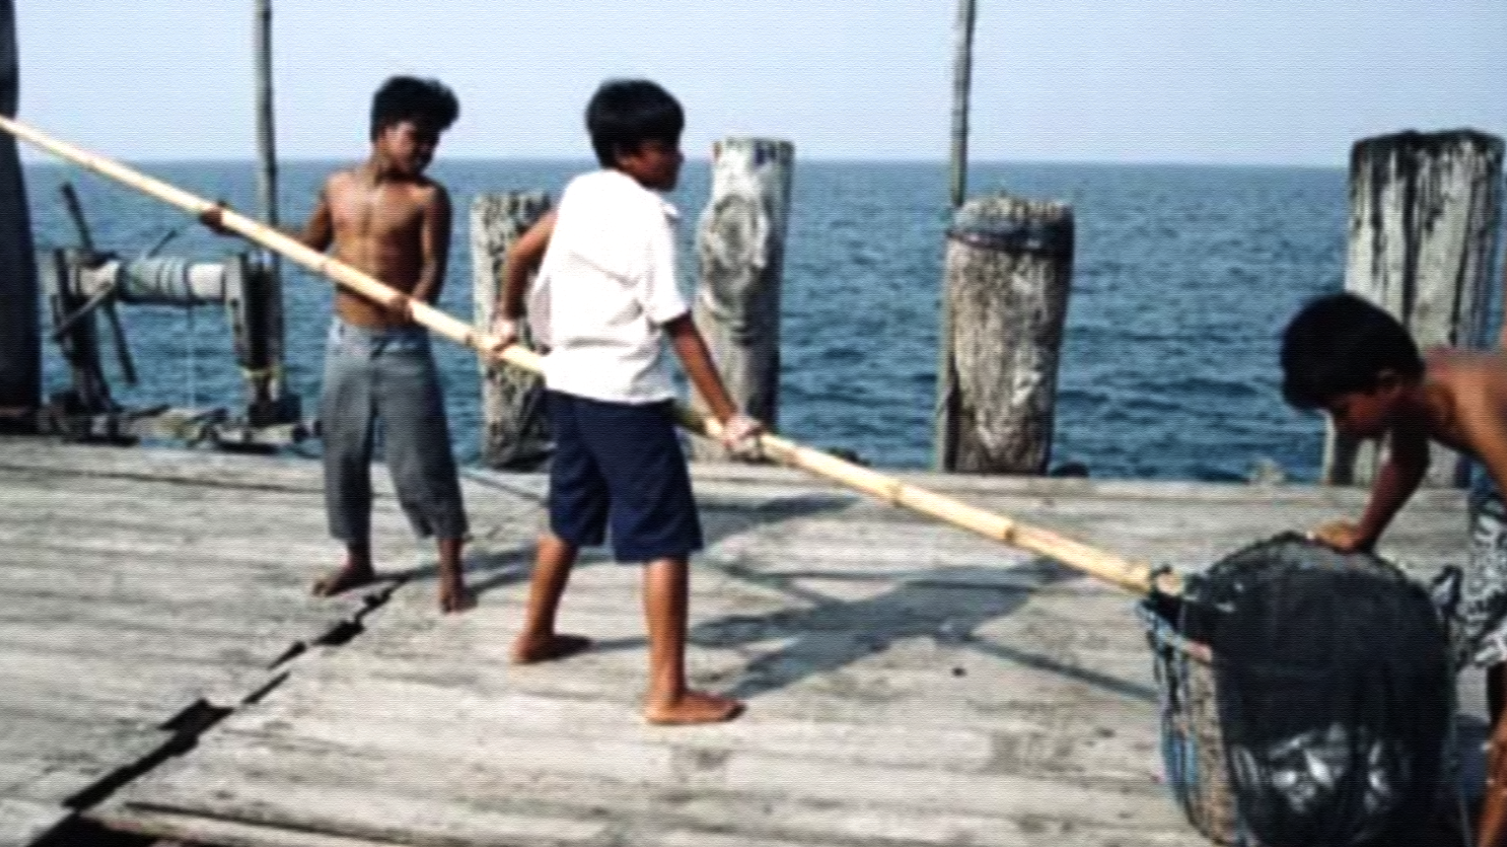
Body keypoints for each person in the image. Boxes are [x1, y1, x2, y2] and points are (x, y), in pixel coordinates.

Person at [490, 79, 761, 725]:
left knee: (568, 516)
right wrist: (730, 416)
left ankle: (534, 635)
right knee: (663, 537)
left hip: (568, 383)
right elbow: (680, 324)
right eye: (662, 148)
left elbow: (520, 252)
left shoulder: (583, 191)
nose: (677, 159)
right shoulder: (645, 217)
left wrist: (505, 316)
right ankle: (667, 693)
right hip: (621, 395)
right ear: (626, 152)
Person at [205, 76, 472, 613]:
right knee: (343, 453)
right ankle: (358, 557)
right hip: (345, 342)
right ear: (380, 131)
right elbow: (306, 244)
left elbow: (433, 267)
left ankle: (451, 568)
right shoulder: (338, 187)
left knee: (423, 458)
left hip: (402, 348)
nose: (425, 151)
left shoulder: (429, 197)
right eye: (416, 136)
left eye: (433, 142)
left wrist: (415, 301)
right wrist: (235, 226)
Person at [1280, 291, 1507, 845]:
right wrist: (1365, 534)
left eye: (1341, 411)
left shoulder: (1474, 410)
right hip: (1498, 491)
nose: (1341, 427)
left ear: (1386, 384)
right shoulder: (1418, 389)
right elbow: (1409, 460)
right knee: (1499, 648)